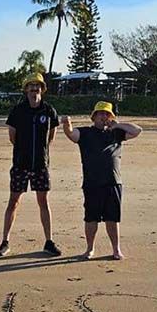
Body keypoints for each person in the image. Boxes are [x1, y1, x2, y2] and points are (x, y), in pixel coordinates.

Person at [62, 101, 142, 261]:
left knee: (112, 218)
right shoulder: (86, 133)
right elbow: (71, 134)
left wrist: (117, 125)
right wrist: (67, 124)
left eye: (106, 114)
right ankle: (90, 249)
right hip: (92, 182)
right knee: (91, 218)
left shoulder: (117, 133)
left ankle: (116, 249)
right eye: (100, 114)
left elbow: (137, 130)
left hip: (113, 182)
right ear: (94, 116)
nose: (103, 117)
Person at [0, 73, 61, 258]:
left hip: (41, 164)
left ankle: (48, 241)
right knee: (13, 202)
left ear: (42, 89)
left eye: (37, 86)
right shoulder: (18, 110)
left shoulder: (49, 111)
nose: (34, 90)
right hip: (20, 165)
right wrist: (23, 152)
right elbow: (12, 137)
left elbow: (51, 137)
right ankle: (5, 241)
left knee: (43, 202)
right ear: (26, 90)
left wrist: (41, 153)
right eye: (31, 87)